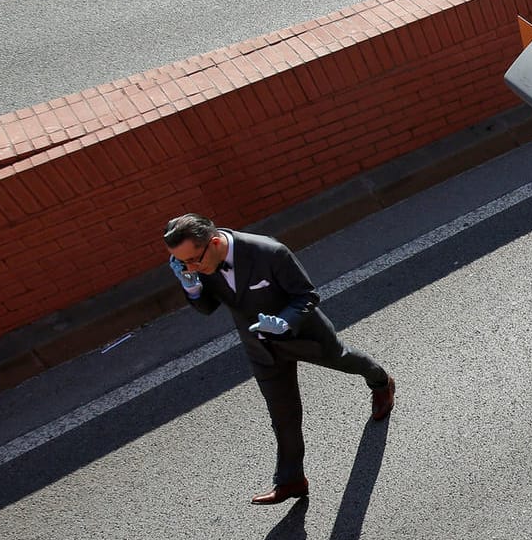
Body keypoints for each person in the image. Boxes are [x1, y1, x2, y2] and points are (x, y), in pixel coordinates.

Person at [163, 214, 395, 505]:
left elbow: (307, 295)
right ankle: (291, 480)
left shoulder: (269, 252)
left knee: (346, 359)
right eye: (181, 263)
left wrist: (283, 322)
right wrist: (191, 287)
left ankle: (381, 381)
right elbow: (207, 307)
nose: (190, 267)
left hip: (302, 335)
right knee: (283, 416)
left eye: (192, 261)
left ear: (215, 242)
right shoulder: (199, 264)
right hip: (261, 349)